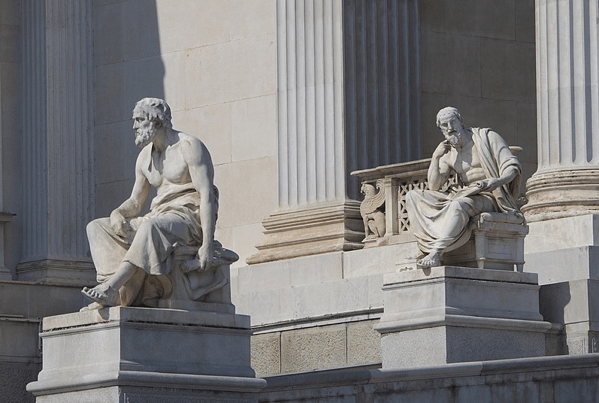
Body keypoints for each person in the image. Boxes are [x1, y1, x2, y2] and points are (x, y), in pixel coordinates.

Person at [81, 98, 218, 309]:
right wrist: (118, 213)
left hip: (187, 219)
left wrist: (207, 244)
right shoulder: (144, 157)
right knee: (97, 227)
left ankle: (112, 287)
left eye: (138, 120)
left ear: (156, 121)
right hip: (158, 217)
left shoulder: (189, 146)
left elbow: (207, 195)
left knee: (150, 226)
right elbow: (136, 202)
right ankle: (120, 294)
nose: (134, 126)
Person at [406, 106, 522, 267]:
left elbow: (512, 167)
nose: (450, 128)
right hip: (467, 193)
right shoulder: (448, 153)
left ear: (461, 121)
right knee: (413, 196)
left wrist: (496, 181)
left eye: (453, 122)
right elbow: (434, 186)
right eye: (444, 125)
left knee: (459, 204)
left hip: (491, 196)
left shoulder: (487, 138)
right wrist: (435, 157)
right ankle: (425, 247)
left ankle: (436, 252)